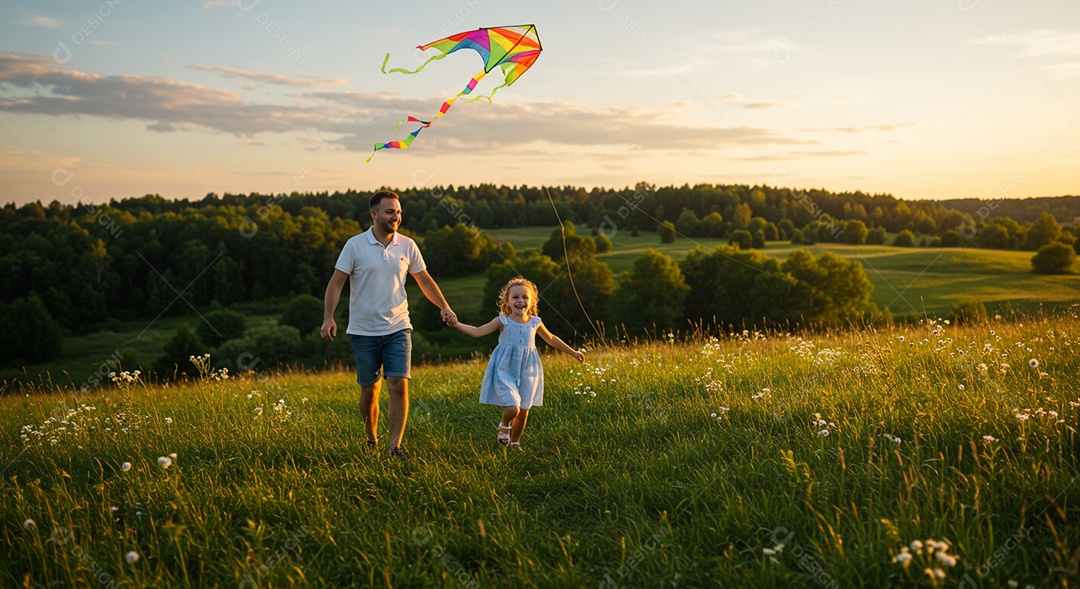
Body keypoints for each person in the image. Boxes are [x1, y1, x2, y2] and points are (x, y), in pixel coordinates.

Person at [321, 191, 457, 457]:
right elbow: (336, 283)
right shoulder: (354, 245)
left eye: (398, 212)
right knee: (369, 389)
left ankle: (394, 446)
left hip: (398, 326)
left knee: (398, 384)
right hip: (362, 330)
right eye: (390, 212)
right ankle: (371, 439)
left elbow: (425, 281)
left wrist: (444, 306)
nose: (396, 217)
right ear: (374, 214)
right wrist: (329, 317)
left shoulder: (407, 245)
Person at [449, 277, 584, 450]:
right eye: (515, 297)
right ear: (507, 301)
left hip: (529, 369)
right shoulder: (502, 321)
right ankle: (504, 426)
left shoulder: (535, 322)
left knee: (524, 410)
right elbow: (477, 331)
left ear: (532, 301)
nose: (520, 301)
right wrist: (456, 324)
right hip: (505, 369)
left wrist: (573, 352)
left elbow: (551, 339)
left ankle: (515, 442)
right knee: (513, 407)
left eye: (525, 297)